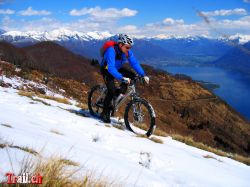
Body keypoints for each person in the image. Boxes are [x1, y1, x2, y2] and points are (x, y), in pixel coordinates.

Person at [100, 34, 149, 123]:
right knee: (111, 91)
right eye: (127, 47)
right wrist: (121, 78)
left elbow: (134, 63)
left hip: (117, 68)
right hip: (107, 70)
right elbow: (110, 68)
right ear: (120, 44)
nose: (128, 50)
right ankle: (105, 112)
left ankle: (118, 94)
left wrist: (143, 75)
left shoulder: (127, 52)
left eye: (130, 47)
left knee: (132, 76)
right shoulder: (111, 51)